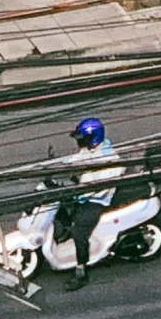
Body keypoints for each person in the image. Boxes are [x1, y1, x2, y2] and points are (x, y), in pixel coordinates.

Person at [61, 116, 119, 290]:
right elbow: (77, 160)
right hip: (85, 194)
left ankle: (81, 269)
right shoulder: (90, 150)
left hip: (97, 200)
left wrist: (80, 195)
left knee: (79, 231)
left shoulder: (110, 158)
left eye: (83, 139)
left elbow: (102, 188)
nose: (80, 143)